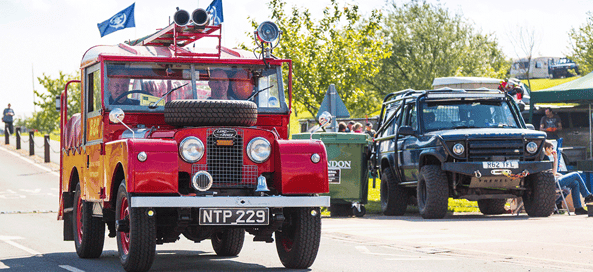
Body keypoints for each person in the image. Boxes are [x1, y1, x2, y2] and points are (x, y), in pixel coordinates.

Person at [543, 140, 593, 215]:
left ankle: (578, 208)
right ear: (546, 148)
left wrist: (559, 174)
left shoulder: (542, 157)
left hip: (552, 180)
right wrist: (555, 159)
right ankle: (587, 195)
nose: (552, 150)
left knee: (575, 183)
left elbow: (550, 172)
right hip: (551, 182)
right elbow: (552, 175)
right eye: (551, 148)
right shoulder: (545, 157)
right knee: (576, 174)